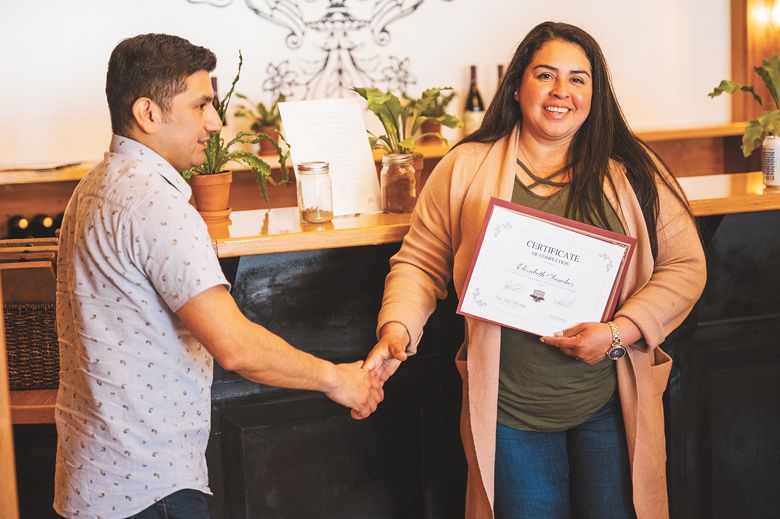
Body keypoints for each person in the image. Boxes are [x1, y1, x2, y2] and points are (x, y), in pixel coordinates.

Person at [363, 21, 706, 519]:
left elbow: (684, 267)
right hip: (509, 414)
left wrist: (617, 331)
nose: (561, 92)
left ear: (596, 92)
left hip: (609, 406)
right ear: (519, 84)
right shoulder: (465, 167)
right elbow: (420, 261)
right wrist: (396, 329)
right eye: (546, 75)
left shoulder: (632, 170)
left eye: (578, 79)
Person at [53, 33, 383, 519]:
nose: (216, 122)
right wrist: (339, 379)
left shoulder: (96, 185)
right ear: (148, 113)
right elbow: (236, 346)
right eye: (201, 105)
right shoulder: (153, 203)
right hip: (151, 488)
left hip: (94, 480)